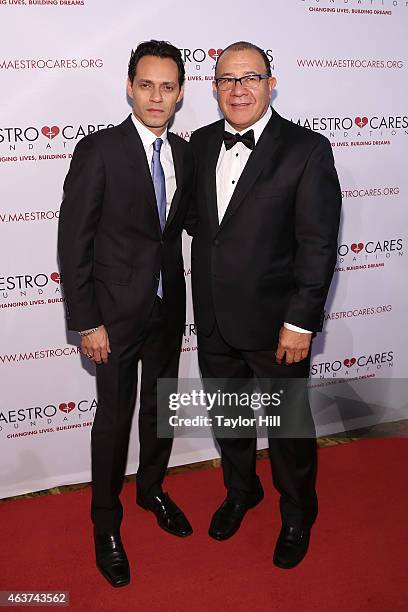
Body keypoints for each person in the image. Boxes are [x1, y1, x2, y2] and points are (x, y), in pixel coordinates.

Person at [187, 41, 341, 569]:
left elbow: (319, 244)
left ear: (271, 84)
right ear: (214, 88)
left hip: (278, 325)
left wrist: (301, 321)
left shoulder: (307, 150)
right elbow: (197, 226)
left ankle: (298, 512)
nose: (238, 89)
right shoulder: (201, 144)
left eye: (250, 77)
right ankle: (241, 491)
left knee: (288, 429)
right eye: (227, 79)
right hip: (213, 319)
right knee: (228, 419)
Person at [58, 40, 194, 588]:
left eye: (167, 87)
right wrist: (88, 321)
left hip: (167, 308)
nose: (156, 97)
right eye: (146, 85)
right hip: (112, 318)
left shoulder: (183, 154)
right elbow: (74, 244)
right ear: (129, 87)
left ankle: (152, 488)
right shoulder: (100, 150)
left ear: (180, 93)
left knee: (160, 408)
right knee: (113, 423)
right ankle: (105, 524)